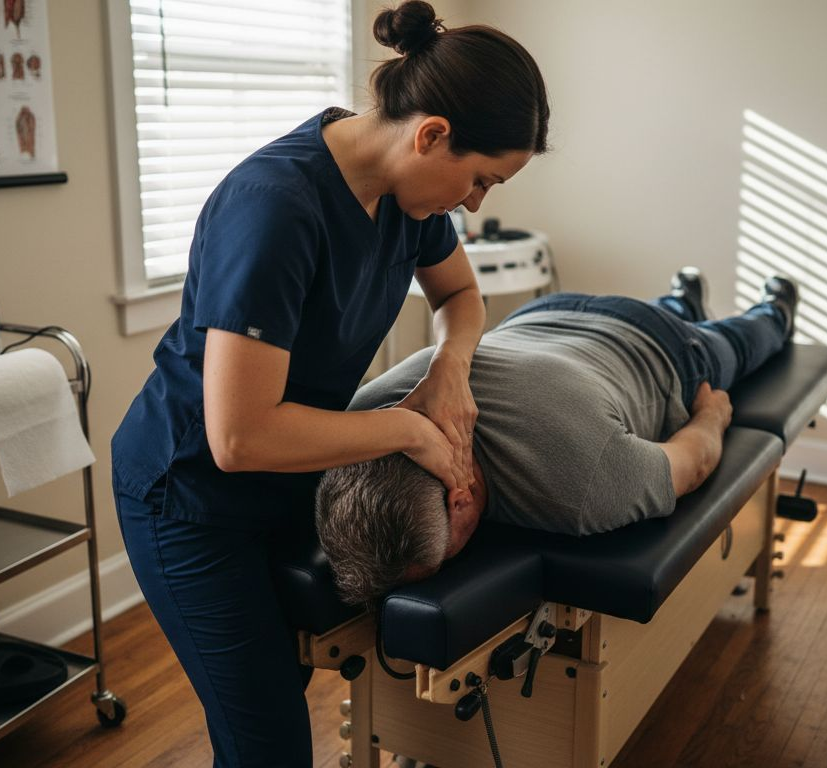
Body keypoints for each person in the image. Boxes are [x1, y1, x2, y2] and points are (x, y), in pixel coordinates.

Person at [109, 2, 550, 764]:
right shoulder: (275, 209)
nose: (476, 203)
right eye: (480, 180)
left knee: (287, 690)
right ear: (432, 134)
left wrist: (449, 369)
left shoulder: (406, 197)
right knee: (269, 739)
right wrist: (411, 428)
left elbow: (460, 297)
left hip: (289, 477)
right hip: (188, 497)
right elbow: (239, 437)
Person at [315, 272, 800, 606]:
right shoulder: (355, 420)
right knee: (677, 310)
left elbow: (691, 464)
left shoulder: (581, 483)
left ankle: (774, 309)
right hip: (541, 315)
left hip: (665, 347)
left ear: (459, 499)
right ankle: (683, 296)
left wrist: (712, 416)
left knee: (747, 337)